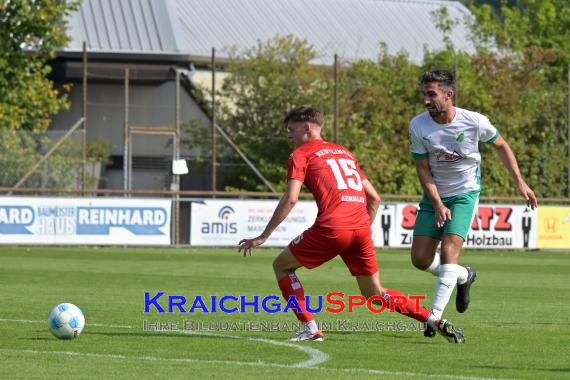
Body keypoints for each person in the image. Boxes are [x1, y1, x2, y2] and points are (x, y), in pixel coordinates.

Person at [239, 105, 465, 343]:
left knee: (282, 266)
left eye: (291, 129)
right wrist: (361, 229)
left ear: (307, 128)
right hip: (360, 229)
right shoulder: (344, 152)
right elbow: (375, 198)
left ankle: (310, 328)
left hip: (333, 227)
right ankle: (435, 321)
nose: (289, 135)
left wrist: (263, 235)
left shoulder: (300, 154)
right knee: (375, 293)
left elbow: (291, 197)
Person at [408, 70, 538, 337]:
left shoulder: (475, 122)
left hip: (465, 193)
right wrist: (437, 201)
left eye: (431, 94)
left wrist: (520, 182)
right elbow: (422, 168)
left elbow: (501, 146)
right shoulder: (418, 125)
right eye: (424, 94)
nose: (426, 101)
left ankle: (434, 318)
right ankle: (463, 276)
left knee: (449, 252)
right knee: (420, 259)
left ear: (448, 95)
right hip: (434, 195)